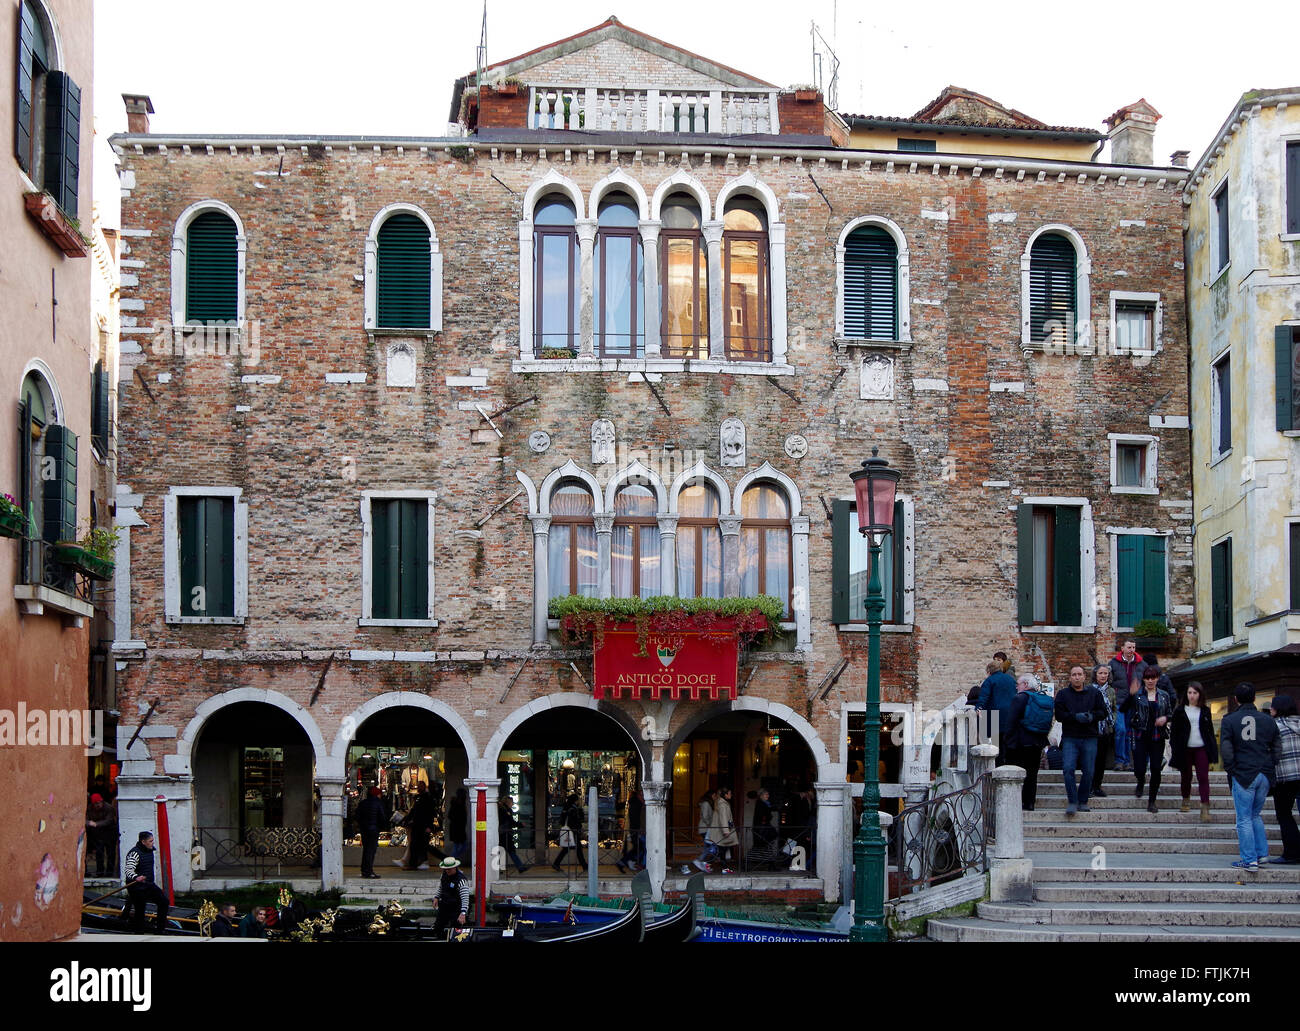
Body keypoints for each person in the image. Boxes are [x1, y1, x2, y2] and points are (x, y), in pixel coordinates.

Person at [1220, 682, 1281, 871]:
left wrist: (1231, 769)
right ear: (1255, 698)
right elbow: (1277, 747)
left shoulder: (1229, 720)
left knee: (1244, 818)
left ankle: (1249, 859)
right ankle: (1262, 854)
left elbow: (1227, 748)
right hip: (1264, 772)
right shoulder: (1268, 720)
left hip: (1243, 772)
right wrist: (1271, 765)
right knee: (1255, 815)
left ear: (1235, 699)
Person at [1052, 665, 1108, 815]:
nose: (1077, 677)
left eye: (1079, 674)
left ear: (1084, 676)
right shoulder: (1063, 694)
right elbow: (1059, 715)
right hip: (1070, 737)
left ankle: (1083, 800)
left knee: (1089, 771)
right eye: (1074, 674)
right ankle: (1072, 800)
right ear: (1070, 677)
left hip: (1090, 736)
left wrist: (1092, 716)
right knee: (1068, 768)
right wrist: (1074, 717)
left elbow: (1103, 712)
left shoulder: (1094, 693)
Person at [1121, 666, 1174, 812]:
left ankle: (1152, 801)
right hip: (1140, 735)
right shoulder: (1137, 695)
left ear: (1157, 678)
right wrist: (1131, 695)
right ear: (1144, 679)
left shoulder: (1163, 695)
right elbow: (1123, 709)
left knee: (1156, 768)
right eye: (1147, 678)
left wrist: (1165, 718)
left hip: (1157, 736)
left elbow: (1170, 712)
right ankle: (1140, 780)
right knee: (1139, 768)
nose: (1150, 681)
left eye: (1153, 678)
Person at [1170, 680, 1218, 822]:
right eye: (1189, 692)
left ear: (1200, 694)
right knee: (1186, 776)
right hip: (1185, 748)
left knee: (1203, 777)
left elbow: (1209, 731)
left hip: (1201, 747)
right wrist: (1175, 748)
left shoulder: (1205, 710)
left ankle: (1205, 807)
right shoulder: (1179, 711)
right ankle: (1186, 799)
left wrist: (1212, 749)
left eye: (1195, 693)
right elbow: (1174, 732)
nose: (1192, 696)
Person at [1005, 673, 1052, 811]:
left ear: (1025, 684)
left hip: (1020, 742)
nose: (1016, 686)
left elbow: (1011, 721)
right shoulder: (1043, 698)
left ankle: (1017, 802)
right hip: (1037, 742)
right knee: (1032, 773)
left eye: (1018, 684)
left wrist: (1007, 741)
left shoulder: (1019, 698)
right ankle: (1030, 802)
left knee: (1018, 773)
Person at [1267, 695, 1300, 864]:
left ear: (1278, 709)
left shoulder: (1276, 726)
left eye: (1272, 707)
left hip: (1285, 776)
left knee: (1284, 815)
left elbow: (1272, 752)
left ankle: (1292, 852)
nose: (1270, 710)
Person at [1108, 638, 1147, 773]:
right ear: (1122, 649)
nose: (1131, 650)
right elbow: (1109, 682)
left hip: (1134, 703)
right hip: (1119, 702)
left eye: (1133, 648)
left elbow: (1146, 682)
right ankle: (1119, 760)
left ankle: (1127, 762)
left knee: (1130, 733)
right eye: (1129, 647)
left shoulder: (1142, 665)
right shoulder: (1113, 663)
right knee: (1121, 730)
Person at [123, 831, 169, 934]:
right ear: (143, 842)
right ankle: (139, 933)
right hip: (136, 887)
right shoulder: (134, 853)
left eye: (152, 840)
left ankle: (160, 930)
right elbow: (128, 870)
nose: (153, 843)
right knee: (140, 910)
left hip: (148, 885)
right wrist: (136, 877)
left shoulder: (149, 850)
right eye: (150, 841)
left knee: (164, 902)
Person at [976, 652, 1018, 763]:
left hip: (993, 717)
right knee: (1007, 746)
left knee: (994, 748)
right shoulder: (1011, 680)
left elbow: (983, 698)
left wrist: (978, 708)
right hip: (1009, 716)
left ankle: (996, 771)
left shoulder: (989, 681)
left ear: (989, 671)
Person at [1090, 665, 1117, 796]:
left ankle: (1097, 786)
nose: (1103, 675)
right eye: (1100, 673)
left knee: (1101, 760)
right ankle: (1089, 785)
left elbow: (1114, 708)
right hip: (1093, 728)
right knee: (1091, 759)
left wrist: (1113, 721)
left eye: (1105, 673)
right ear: (1096, 675)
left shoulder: (1111, 691)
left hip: (1106, 728)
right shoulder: (1090, 690)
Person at [431, 856, 471, 935]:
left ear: (455, 867)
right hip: (445, 905)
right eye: (445, 869)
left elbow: (465, 898)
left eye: (449, 869)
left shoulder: (461, 881)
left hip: (456, 908)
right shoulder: (444, 875)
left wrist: (463, 913)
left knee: (456, 930)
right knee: (438, 926)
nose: (447, 871)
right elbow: (441, 887)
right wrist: (436, 897)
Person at [401, 782, 435, 871]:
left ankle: (420, 863)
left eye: (421, 786)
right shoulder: (418, 798)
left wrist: (429, 826)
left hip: (423, 826)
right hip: (417, 825)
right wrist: (407, 820)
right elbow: (413, 812)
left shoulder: (427, 798)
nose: (419, 787)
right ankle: (414, 864)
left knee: (422, 845)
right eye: (418, 786)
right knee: (414, 845)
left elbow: (430, 813)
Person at [552, 793, 587, 872]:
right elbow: (576, 820)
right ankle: (584, 866)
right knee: (577, 849)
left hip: (569, 831)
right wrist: (578, 827)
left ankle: (556, 863)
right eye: (578, 800)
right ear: (575, 800)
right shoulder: (573, 809)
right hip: (572, 831)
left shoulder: (567, 807)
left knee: (567, 848)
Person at [355, 786, 385, 879]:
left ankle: (364, 870)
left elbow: (357, 816)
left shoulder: (363, 803)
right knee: (371, 851)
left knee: (366, 850)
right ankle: (368, 871)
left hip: (364, 830)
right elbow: (382, 817)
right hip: (373, 829)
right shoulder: (378, 803)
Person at [85, 793, 117, 878]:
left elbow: (109, 820)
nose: (98, 805)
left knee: (110, 853)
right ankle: (100, 872)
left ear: (102, 801)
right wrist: (89, 823)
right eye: (96, 803)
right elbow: (86, 819)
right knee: (99, 853)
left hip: (110, 833)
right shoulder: (89, 808)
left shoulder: (109, 808)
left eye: (99, 803)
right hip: (98, 834)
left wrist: (96, 824)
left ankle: (109, 872)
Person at [709, 786, 740, 873]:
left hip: (722, 831)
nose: (731, 795)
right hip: (723, 831)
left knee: (722, 849)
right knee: (722, 849)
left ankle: (721, 867)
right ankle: (708, 863)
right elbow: (723, 818)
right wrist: (726, 830)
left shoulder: (722, 803)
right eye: (730, 793)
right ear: (725, 795)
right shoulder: (722, 804)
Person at [497, 796, 530, 874]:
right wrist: (520, 824)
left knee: (501, 851)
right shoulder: (506, 810)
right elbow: (511, 821)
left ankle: (498, 869)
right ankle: (520, 867)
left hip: (502, 833)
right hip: (505, 833)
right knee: (510, 851)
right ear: (508, 802)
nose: (513, 804)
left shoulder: (501, 809)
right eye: (512, 802)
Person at [617, 785, 644, 874]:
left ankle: (625, 862)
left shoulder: (633, 804)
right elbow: (637, 819)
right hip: (636, 830)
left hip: (634, 829)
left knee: (638, 848)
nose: (643, 796)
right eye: (642, 794)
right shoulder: (637, 805)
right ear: (638, 795)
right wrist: (639, 829)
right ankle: (625, 862)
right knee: (639, 848)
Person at [692, 789, 716, 874]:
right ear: (711, 795)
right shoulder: (706, 804)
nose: (715, 797)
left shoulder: (707, 803)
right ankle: (699, 860)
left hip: (706, 828)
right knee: (710, 847)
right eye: (714, 795)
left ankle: (704, 864)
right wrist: (710, 825)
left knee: (709, 847)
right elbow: (705, 817)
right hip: (705, 828)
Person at [449, 787, 469, 863]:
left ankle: (453, 860)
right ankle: (452, 861)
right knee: (460, 846)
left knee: (457, 846)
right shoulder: (459, 805)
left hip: (457, 828)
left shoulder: (455, 804)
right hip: (458, 829)